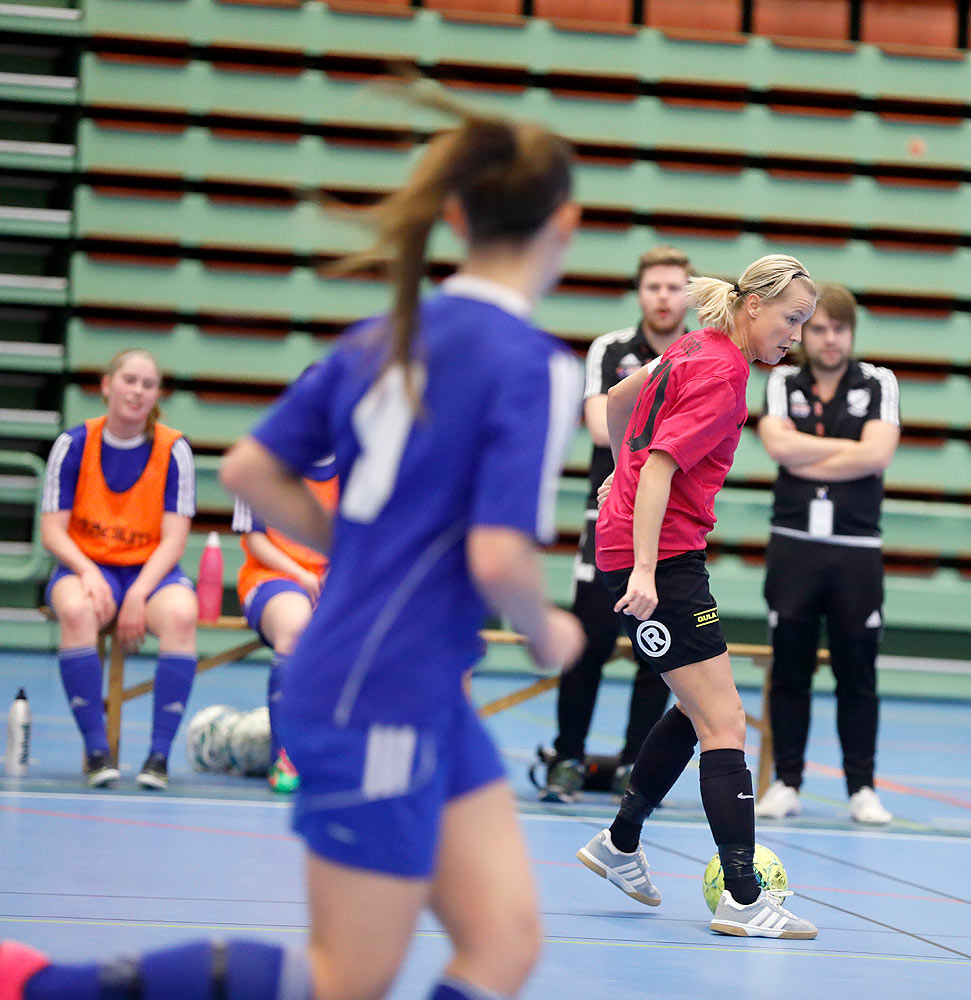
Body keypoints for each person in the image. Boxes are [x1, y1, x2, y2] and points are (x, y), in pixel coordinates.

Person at [1, 91, 585, 1000]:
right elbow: (498, 561)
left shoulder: (377, 336)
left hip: (422, 685)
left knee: (505, 943)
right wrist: (550, 632)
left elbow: (247, 472)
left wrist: (356, 543)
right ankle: (43, 986)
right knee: (346, 978)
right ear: (567, 224)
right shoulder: (533, 363)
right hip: (375, 688)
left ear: (457, 216)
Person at [574, 253, 822, 940]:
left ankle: (620, 843)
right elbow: (658, 465)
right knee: (724, 724)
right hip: (663, 559)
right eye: (791, 319)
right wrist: (645, 568)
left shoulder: (695, 345)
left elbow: (620, 402)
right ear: (752, 307)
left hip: (658, 545)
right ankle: (743, 898)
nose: (796, 336)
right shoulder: (722, 374)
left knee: (696, 706)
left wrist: (615, 485)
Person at [542, 246, 691, 802]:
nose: (663, 297)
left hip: (669, 525)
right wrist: (671, 431)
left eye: (675, 287)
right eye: (654, 287)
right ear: (640, 292)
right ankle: (568, 757)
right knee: (589, 642)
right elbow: (601, 427)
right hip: (607, 520)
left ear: (688, 294)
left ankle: (635, 762)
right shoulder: (612, 350)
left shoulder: (698, 352)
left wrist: (646, 424)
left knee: (658, 650)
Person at [753, 284, 900, 825]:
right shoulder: (782, 379)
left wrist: (808, 454)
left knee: (856, 670)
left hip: (856, 550)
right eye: (817, 327)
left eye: (839, 328)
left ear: (852, 332)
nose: (829, 338)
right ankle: (787, 782)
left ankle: (862, 787)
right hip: (793, 547)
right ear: (804, 332)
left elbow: (879, 453)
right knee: (789, 669)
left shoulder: (879, 382)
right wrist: (851, 453)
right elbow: (777, 448)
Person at [38, 348, 198, 790]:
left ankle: (158, 756)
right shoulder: (73, 444)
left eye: (148, 385)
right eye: (129, 380)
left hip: (151, 573)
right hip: (87, 564)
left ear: (156, 394)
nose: (138, 391)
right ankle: (96, 751)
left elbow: (174, 540)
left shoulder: (174, 449)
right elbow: (52, 531)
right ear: (107, 385)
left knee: (183, 614)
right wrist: (87, 571)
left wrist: (138, 593)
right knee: (76, 610)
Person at [232, 443, 339, 794]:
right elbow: (256, 540)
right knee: (297, 626)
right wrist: (306, 576)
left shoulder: (361, 462)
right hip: (273, 576)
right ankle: (286, 755)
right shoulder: (262, 458)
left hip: (336, 578)